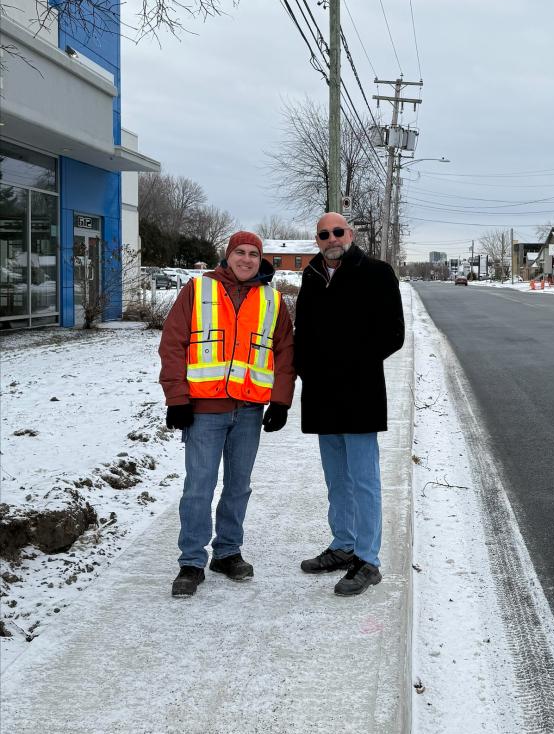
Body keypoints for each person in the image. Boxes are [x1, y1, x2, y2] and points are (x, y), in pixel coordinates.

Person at [159, 231, 295, 597]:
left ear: (261, 259)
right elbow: (172, 343)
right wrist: (177, 398)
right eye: (240, 252)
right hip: (203, 411)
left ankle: (228, 552)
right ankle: (191, 561)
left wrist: (281, 401)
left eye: (253, 254)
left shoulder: (272, 300)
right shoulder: (198, 290)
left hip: (249, 411)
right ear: (227, 255)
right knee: (198, 488)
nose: (247, 259)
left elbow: (285, 353)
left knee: (238, 487)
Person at [294, 213, 404, 596]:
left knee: (363, 479)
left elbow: (394, 334)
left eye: (338, 232)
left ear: (350, 235)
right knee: (336, 478)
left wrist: (349, 363)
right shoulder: (311, 276)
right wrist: (306, 370)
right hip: (322, 395)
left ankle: (367, 559)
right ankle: (343, 545)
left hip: (359, 392)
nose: (331, 238)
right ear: (317, 240)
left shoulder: (376, 272)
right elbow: (302, 333)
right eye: (324, 234)